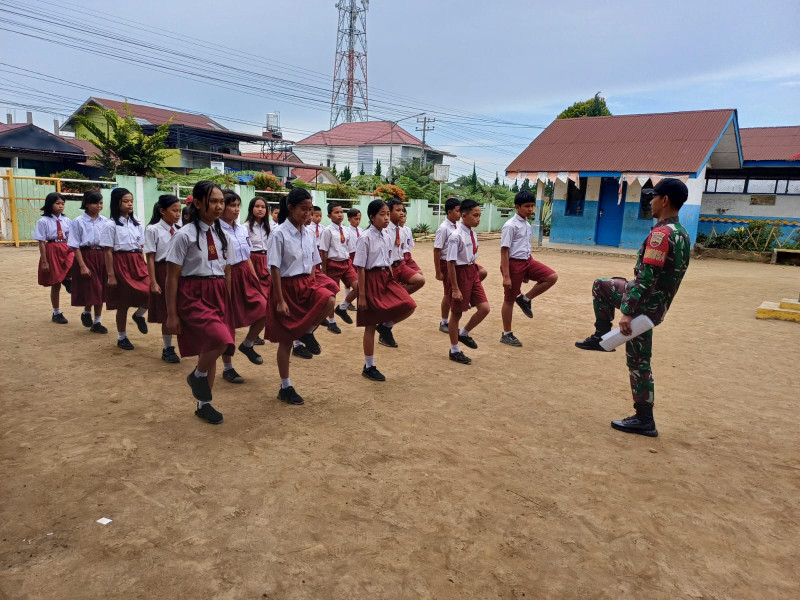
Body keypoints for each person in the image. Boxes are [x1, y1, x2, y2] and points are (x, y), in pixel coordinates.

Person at [575, 178, 691, 438]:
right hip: (657, 305)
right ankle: (600, 336)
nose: (650, 201)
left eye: (653, 197)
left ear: (665, 200)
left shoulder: (662, 234)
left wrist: (627, 311)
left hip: (644, 307)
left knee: (638, 362)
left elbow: (646, 278)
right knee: (605, 285)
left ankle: (644, 419)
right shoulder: (682, 233)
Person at [165, 180, 234, 425]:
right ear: (197, 203)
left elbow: (226, 270)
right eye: (213, 201)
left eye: (221, 202)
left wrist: (228, 298)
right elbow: (172, 276)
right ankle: (198, 375)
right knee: (219, 339)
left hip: (217, 293)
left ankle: (204, 404)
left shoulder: (223, 234)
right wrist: (171, 314)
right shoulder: (184, 235)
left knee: (211, 348)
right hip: (193, 292)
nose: (218, 206)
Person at [265, 187, 338, 405]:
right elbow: (275, 268)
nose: (307, 214)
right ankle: (285, 386)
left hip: (306, 282)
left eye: (310, 210)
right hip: (286, 287)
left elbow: (314, 262)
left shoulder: (309, 232)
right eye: (303, 210)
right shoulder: (278, 234)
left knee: (330, 297)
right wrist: (280, 300)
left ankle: (307, 332)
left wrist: (312, 284)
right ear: (291, 209)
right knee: (286, 340)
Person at [354, 199, 416, 381]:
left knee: (408, 304)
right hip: (370, 279)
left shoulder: (387, 236)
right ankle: (369, 365)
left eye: (388, 214)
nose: (386, 218)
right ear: (372, 217)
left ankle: (386, 327)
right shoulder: (365, 237)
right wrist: (362, 296)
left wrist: (391, 280)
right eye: (382, 214)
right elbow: (361, 268)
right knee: (370, 325)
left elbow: (388, 261)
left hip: (385, 278)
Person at [219, 189, 268, 383]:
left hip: (245, 273)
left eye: (238, 205)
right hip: (225, 276)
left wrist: (254, 278)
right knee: (227, 322)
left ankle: (247, 344)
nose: (236, 209)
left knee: (264, 308)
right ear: (222, 207)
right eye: (232, 205)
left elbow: (247, 257)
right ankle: (228, 367)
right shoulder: (217, 230)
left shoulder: (240, 229)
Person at [499, 190, 558, 347]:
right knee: (509, 300)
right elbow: (504, 251)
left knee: (551, 277)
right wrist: (506, 276)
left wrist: (526, 272)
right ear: (517, 207)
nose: (530, 209)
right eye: (527, 206)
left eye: (532, 206)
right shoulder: (510, 226)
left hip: (527, 261)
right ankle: (506, 333)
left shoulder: (526, 223)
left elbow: (525, 245)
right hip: (513, 264)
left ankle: (525, 299)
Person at [101, 187, 150, 351]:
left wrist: (142, 263)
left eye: (131, 201)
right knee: (123, 303)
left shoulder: (136, 222)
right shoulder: (110, 225)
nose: (130, 204)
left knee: (152, 291)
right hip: (120, 262)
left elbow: (141, 245)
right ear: (117, 203)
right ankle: (122, 337)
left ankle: (139, 315)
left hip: (137, 261)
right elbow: (108, 251)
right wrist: (111, 275)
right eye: (126, 201)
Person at [446, 199, 490, 365]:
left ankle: (463, 333)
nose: (478, 219)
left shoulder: (472, 233)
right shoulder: (455, 237)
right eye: (475, 215)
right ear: (463, 215)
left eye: (479, 215)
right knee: (456, 313)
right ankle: (454, 349)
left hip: (472, 271)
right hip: (460, 273)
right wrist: (455, 288)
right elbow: (450, 262)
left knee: (484, 308)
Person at [144, 194, 182, 363]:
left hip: (180, 271)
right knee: (167, 309)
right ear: (162, 211)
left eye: (180, 211)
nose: (178, 214)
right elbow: (151, 257)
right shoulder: (153, 230)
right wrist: (153, 281)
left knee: (182, 307)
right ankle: (168, 348)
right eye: (174, 210)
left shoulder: (180, 230)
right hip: (163, 270)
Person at [68, 190, 108, 333]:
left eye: (101, 203)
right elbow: (75, 245)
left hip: (102, 255)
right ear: (86, 204)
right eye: (95, 203)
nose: (99, 206)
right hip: (86, 255)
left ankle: (96, 321)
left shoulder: (105, 221)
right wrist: (82, 265)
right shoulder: (78, 222)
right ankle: (86, 311)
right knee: (94, 288)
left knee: (101, 289)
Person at [319, 201, 359, 334]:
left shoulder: (346, 230)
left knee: (359, 286)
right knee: (332, 294)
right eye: (336, 212)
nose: (340, 215)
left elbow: (348, 247)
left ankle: (342, 307)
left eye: (341, 212)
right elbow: (324, 251)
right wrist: (324, 270)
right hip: (332, 264)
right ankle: (332, 321)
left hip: (346, 263)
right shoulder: (327, 231)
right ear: (329, 216)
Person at [34, 192, 74, 324]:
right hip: (52, 249)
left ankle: (67, 280)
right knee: (56, 283)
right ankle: (56, 312)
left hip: (66, 247)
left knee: (74, 264)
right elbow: (41, 242)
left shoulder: (67, 220)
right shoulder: (43, 221)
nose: (61, 206)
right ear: (50, 204)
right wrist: (45, 261)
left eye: (63, 203)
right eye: (57, 203)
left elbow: (70, 237)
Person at [433, 197, 461, 333]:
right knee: (448, 293)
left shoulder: (458, 225)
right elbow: (437, 249)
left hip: (457, 263)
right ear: (450, 212)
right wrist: (438, 271)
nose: (460, 214)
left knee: (480, 273)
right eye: (457, 211)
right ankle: (444, 321)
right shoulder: (443, 228)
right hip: (446, 262)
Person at [245, 197, 270, 346]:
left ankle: (256, 331)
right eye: (257, 206)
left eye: (263, 207)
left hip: (266, 260)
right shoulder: (245, 227)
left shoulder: (270, 227)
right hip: (252, 260)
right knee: (256, 298)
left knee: (267, 297)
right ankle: (252, 333)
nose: (260, 209)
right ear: (251, 208)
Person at [343, 208, 362, 311]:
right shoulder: (346, 231)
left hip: (359, 256)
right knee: (349, 281)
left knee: (359, 279)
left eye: (359, 219)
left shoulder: (361, 230)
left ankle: (359, 300)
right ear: (349, 219)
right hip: (351, 256)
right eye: (355, 219)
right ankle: (348, 302)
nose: (358, 221)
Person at [399, 208, 421, 273]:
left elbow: (409, 245)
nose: (403, 218)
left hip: (407, 255)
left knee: (419, 273)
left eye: (404, 216)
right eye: (401, 216)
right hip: (400, 256)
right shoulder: (395, 230)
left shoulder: (408, 229)